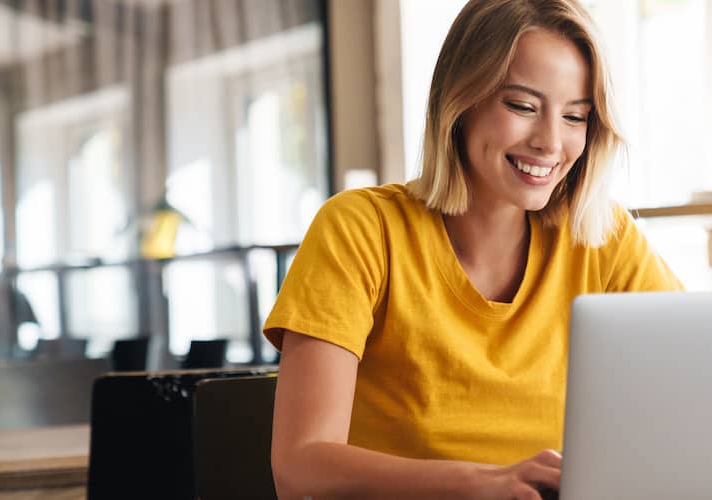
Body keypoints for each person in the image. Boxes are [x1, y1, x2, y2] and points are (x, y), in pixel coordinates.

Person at [263, 0, 683, 497]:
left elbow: (698, 386)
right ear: (460, 102)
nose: (551, 142)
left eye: (575, 117)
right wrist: (481, 482)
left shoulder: (603, 239)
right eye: (522, 106)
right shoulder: (361, 228)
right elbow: (300, 464)